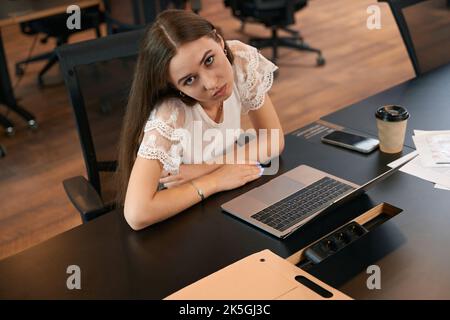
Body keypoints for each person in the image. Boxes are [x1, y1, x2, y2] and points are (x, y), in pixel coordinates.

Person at [116, 9, 285, 231]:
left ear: (219, 40)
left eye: (209, 60)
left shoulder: (239, 60)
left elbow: (273, 140)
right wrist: (215, 180)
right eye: (189, 80)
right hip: (182, 213)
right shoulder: (171, 113)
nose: (211, 83)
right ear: (174, 87)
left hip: (227, 194)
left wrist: (206, 168)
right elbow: (137, 214)